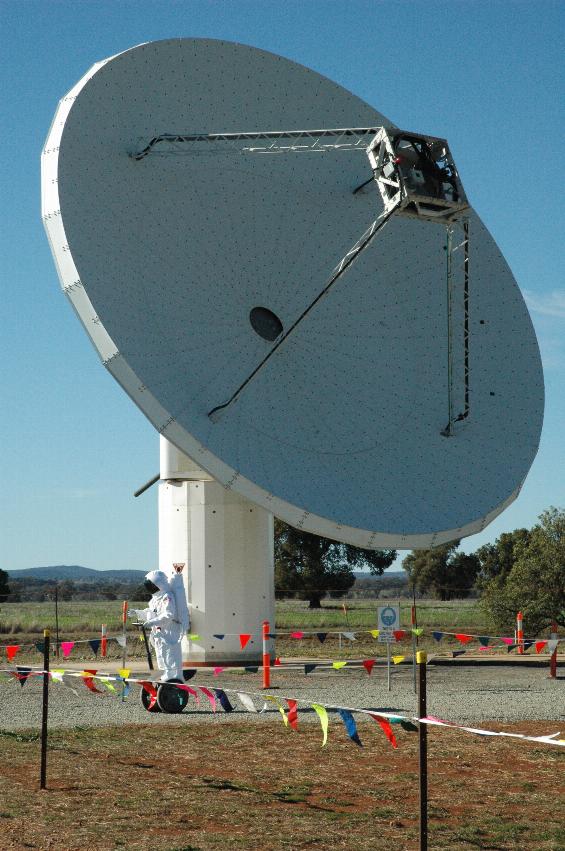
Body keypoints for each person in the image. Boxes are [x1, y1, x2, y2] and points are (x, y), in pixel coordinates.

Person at [130, 570, 184, 682]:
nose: (150, 588)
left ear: (158, 584)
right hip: (159, 633)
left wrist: (152, 622)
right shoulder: (155, 599)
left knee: (170, 656)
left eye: (151, 585)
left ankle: (174, 678)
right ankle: (165, 677)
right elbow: (151, 613)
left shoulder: (167, 597)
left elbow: (168, 614)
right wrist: (137, 612)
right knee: (161, 656)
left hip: (169, 632)